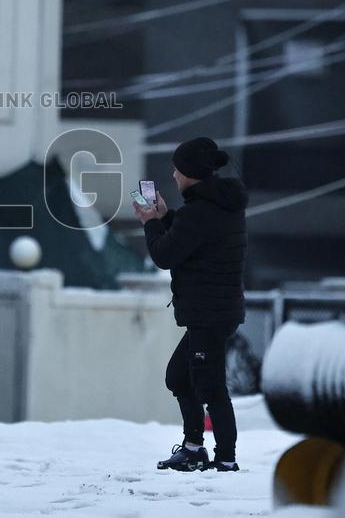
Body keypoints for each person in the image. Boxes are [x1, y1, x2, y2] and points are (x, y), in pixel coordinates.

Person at [132, 137, 247, 473]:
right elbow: (189, 244)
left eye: (177, 169)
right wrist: (166, 218)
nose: (173, 175)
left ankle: (225, 458)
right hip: (216, 310)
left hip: (209, 313)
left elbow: (165, 254)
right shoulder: (219, 206)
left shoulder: (201, 212)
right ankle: (194, 449)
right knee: (180, 377)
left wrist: (150, 222)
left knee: (210, 385)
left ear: (188, 174)